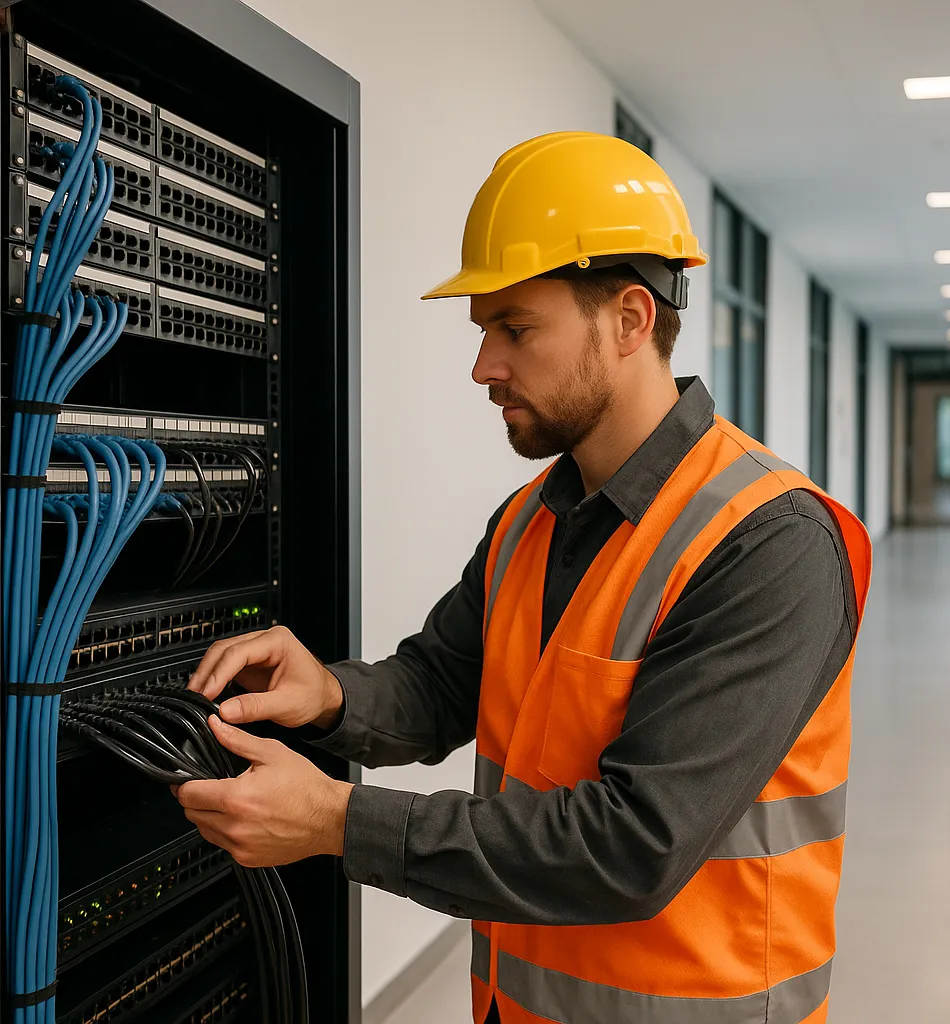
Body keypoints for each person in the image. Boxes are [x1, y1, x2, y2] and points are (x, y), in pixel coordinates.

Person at [177, 131, 871, 1024]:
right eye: (482, 330)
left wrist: (339, 822)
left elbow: (633, 846)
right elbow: (438, 684)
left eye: (516, 327)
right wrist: (329, 697)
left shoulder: (770, 542)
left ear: (630, 320)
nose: (483, 367)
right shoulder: (529, 519)